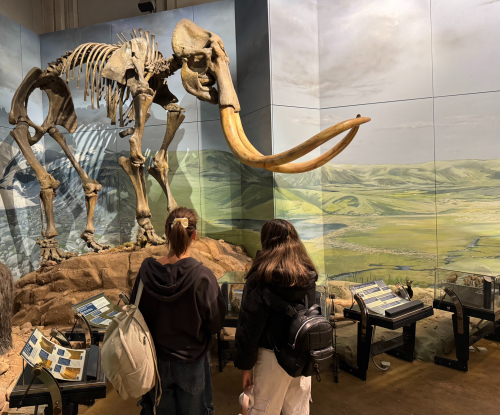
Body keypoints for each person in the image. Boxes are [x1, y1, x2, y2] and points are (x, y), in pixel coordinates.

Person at [130, 207, 225, 415]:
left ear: (166, 232)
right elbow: (215, 323)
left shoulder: (147, 271)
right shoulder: (203, 276)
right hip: (191, 362)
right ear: (195, 235)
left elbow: (135, 312)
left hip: (155, 362)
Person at [234, 219, 318, 415]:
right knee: (298, 411)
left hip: (272, 358)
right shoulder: (307, 274)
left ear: (266, 241)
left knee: (264, 410)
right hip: (302, 355)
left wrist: (245, 366)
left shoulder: (262, 277)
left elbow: (249, 327)